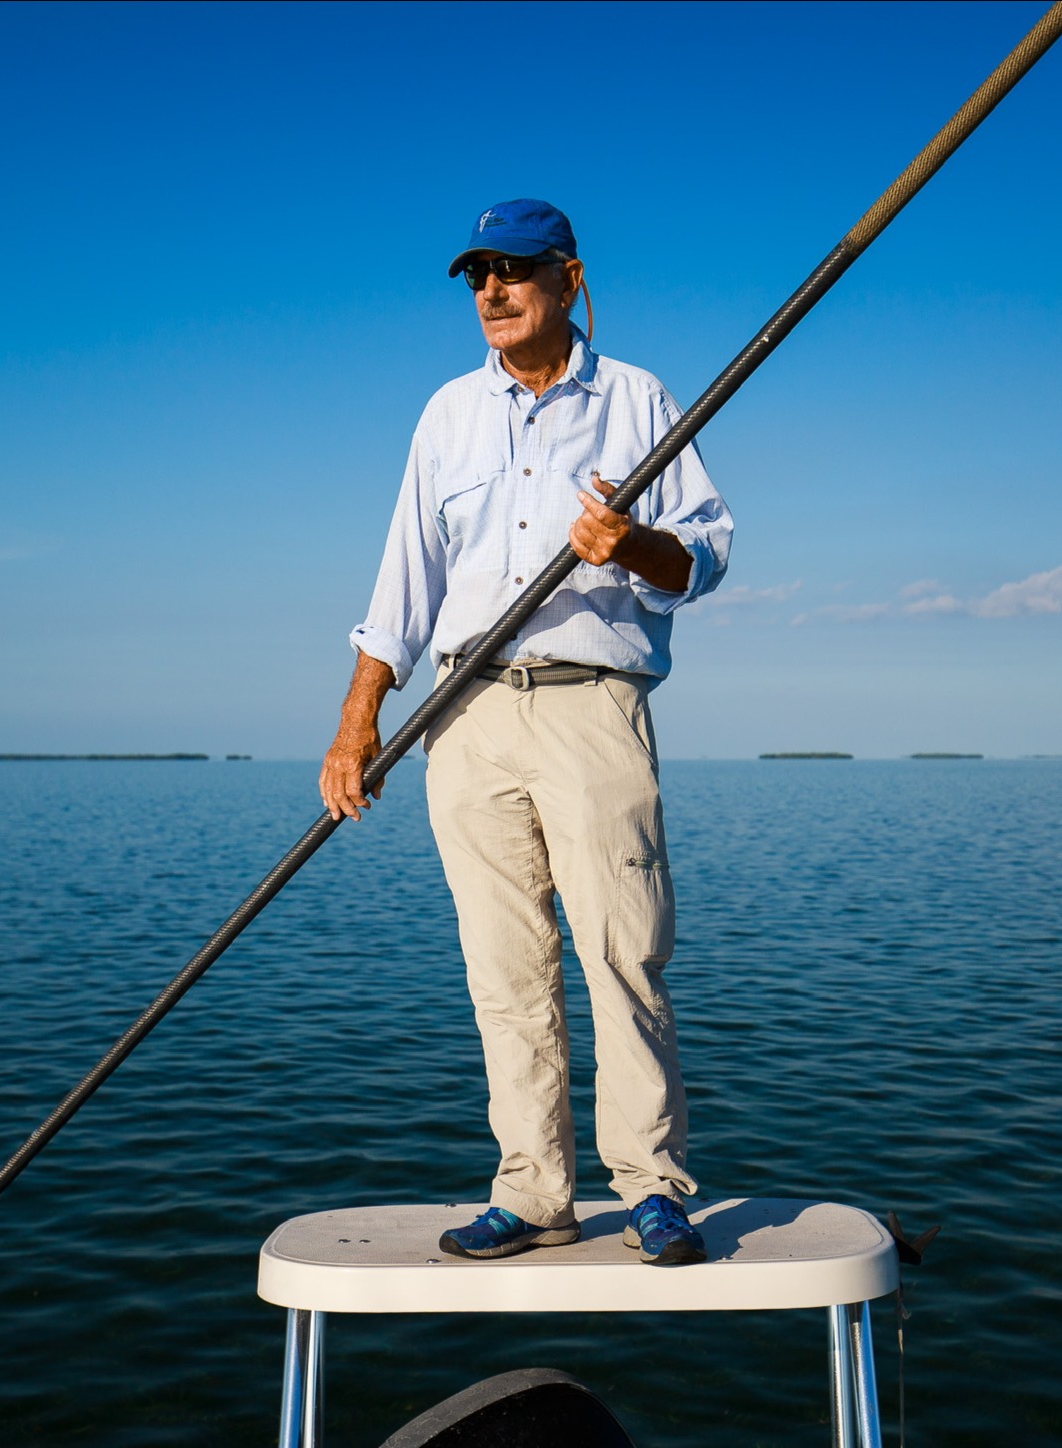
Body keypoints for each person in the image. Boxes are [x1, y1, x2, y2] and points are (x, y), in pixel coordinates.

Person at [319, 198, 732, 1267]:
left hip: (592, 703)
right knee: (502, 967)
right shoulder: (446, 414)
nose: (491, 292)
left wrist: (630, 542)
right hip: (461, 712)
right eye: (476, 276)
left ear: (568, 277)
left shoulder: (638, 398)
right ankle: (534, 1188)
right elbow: (402, 583)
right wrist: (356, 721)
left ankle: (649, 1186)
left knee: (620, 950)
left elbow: (703, 558)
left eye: (513, 270)